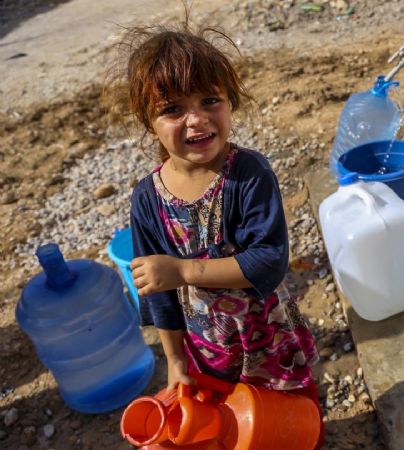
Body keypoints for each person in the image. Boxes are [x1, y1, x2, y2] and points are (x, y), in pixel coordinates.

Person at [118, 23, 323, 446]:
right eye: (172, 109)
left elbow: (266, 259)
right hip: (208, 347)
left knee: (293, 419)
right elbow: (156, 293)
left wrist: (183, 271)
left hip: (268, 336)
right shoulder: (147, 200)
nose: (196, 119)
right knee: (233, 424)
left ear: (230, 102)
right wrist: (174, 361)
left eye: (210, 100)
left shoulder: (248, 175)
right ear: (148, 122)